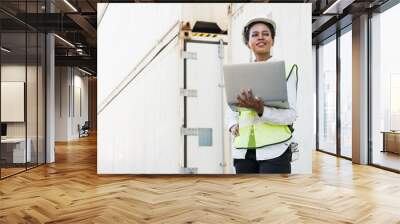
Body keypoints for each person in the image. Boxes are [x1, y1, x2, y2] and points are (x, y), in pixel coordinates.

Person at [226, 17, 298, 174]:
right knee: (246, 197)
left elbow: (291, 115)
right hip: (243, 151)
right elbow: (232, 107)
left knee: (272, 197)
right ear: (248, 42)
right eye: (255, 34)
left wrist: (262, 111)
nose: (260, 37)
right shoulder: (239, 72)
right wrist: (232, 125)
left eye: (266, 34)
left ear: (272, 40)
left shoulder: (286, 70)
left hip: (275, 150)